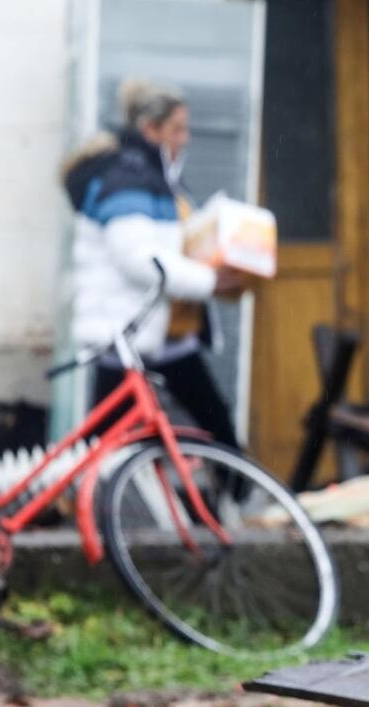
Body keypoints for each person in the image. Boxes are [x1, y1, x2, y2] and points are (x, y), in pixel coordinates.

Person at [61, 78, 247, 450]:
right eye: (177, 129)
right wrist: (209, 281)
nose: (186, 139)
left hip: (165, 337)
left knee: (214, 430)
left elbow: (165, 246)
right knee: (108, 447)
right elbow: (139, 259)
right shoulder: (127, 178)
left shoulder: (155, 176)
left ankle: (228, 485)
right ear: (150, 129)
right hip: (130, 337)